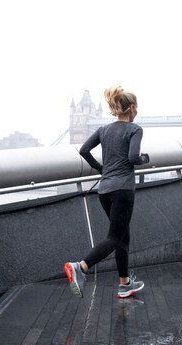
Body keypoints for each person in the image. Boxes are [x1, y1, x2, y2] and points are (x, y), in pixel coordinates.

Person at [64, 86, 150, 299]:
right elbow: (132, 158)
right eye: (136, 107)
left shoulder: (103, 130)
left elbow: (84, 150)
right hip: (123, 189)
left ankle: (124, 284)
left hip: (105, 190)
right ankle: (81, 267)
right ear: (131, 108)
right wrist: (144, 159)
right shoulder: (135, 129)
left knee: (123, 236)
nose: (137, 110)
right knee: (114, 237)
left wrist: (101, 169)